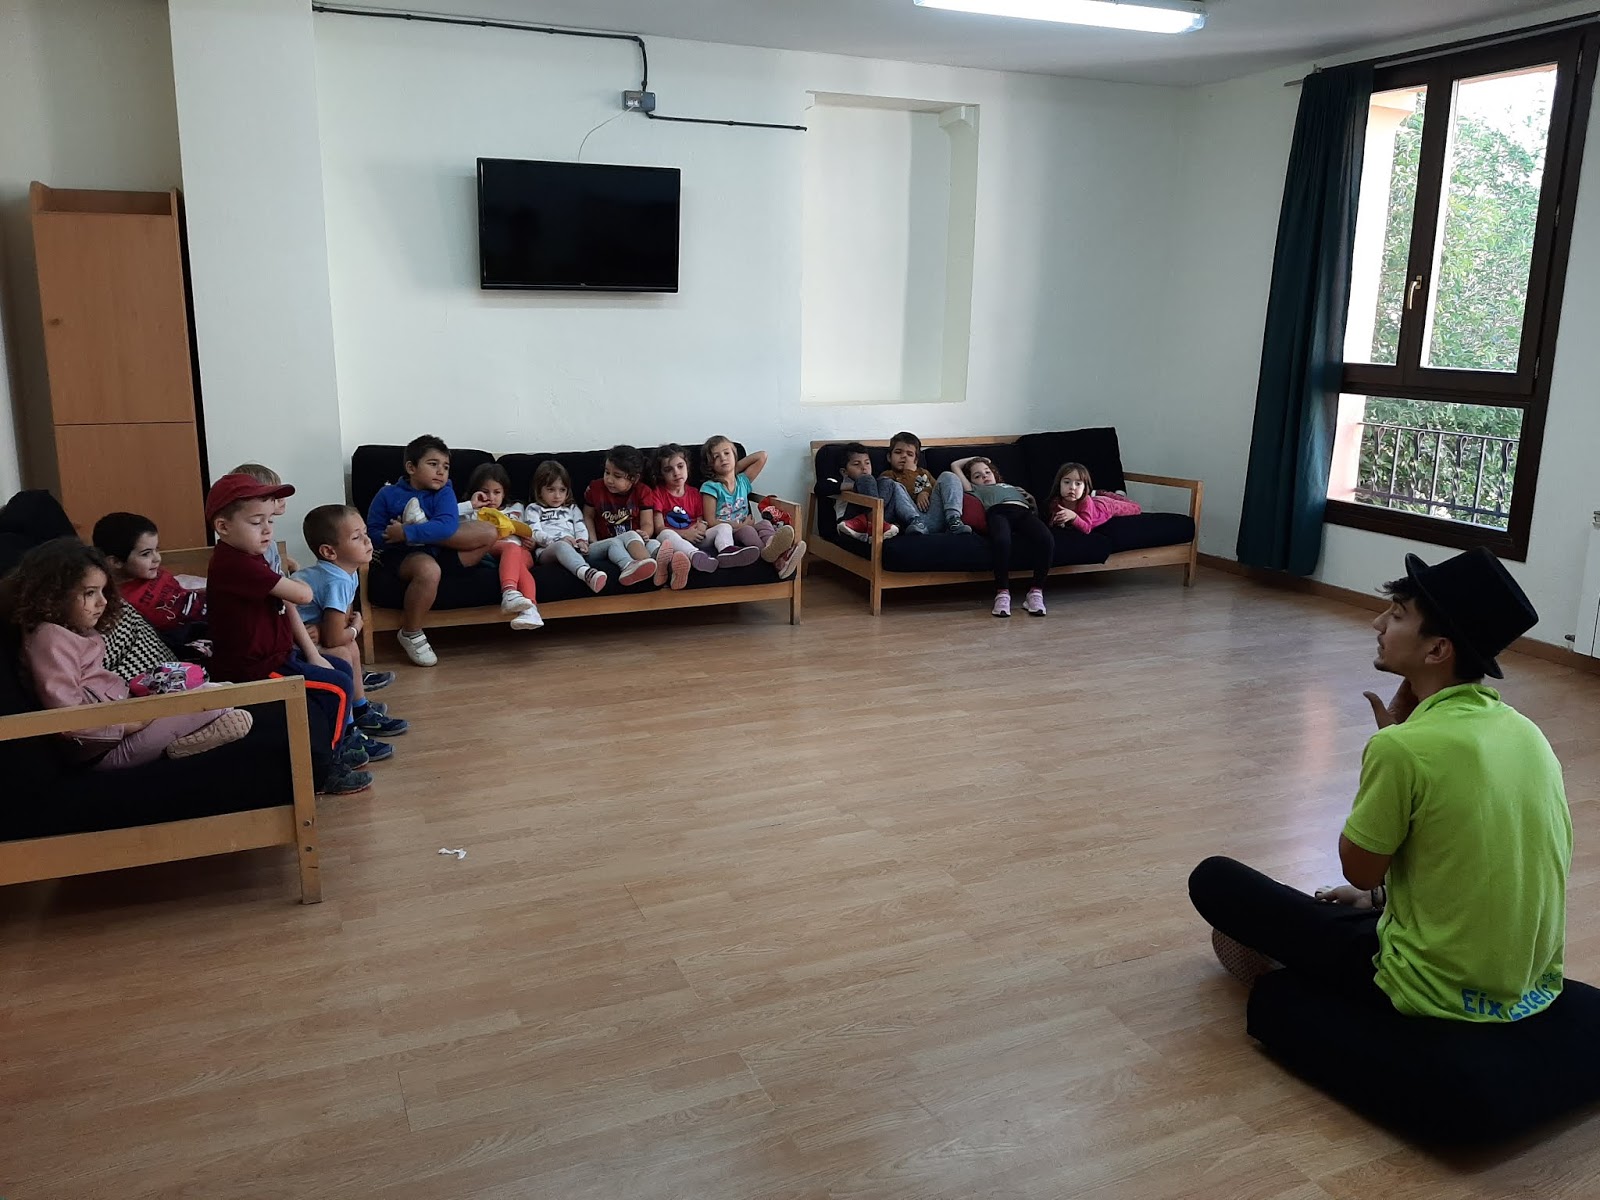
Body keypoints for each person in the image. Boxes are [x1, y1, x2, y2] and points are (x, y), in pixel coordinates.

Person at [1189, 548, 1568, 1043]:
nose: (1378, 623)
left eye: (1398, 614)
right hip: (1531, 983)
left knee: (1216, 881)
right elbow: (1472, 858)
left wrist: (1388, 750)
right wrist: (1379, 898)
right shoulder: (1528, 734)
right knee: (1333, 908)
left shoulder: (1402, 748)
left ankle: (1319, 991)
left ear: (1437, 650)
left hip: (1429, 985)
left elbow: (1360, 870)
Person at [3, 539, 251, 768]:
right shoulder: (49, 639)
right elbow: (67, 720)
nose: (102, 602)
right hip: (105, 751)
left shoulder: (71, 630)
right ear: (54, 594)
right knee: (218, 700)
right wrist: (131, 724)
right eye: (89, 593)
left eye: (103, 591)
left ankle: (189, 740)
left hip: (124, 719)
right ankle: (185, 742)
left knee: (220, 692)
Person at [206, 473, 373, 796]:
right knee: (338, 687)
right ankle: (325, 770)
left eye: (270, 520)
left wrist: (310, 652)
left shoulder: (251, 556)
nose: (267, 529)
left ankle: (334, 745)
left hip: (278, 655)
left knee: (339, 669)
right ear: (223, 527)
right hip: (255, 667)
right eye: (256, 522)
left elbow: (287, 599)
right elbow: (302, 595)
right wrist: (295, 582)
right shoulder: (236, 565)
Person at [364, 435, 498, 667]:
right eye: (433, 464)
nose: (441, 472)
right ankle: (411, 632)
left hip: (441, 549)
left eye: (445, 466)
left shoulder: (444, 491)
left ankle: (421, 525)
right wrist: (396, 536)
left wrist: (409, 531)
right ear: (411, 467)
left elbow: (447, 526)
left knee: (489, 531)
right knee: (428, 569)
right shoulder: (387, 494)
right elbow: (373, 534)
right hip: (404, 554)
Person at [292, 504, 410, 741]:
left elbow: (340, 622)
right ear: (329, 552)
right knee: (343, 652)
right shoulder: (336, 580)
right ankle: (347, 730)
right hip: (292, 643)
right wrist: (357, 627)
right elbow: (335, 638)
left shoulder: (347, 571)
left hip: (308, 634)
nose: (367, 541)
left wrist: (340, 628)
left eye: (365, 533)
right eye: (357, 537)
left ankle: (360, 708)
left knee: (351, 646)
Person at [91, 511, 207, 652]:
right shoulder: (121, 602)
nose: (157, 558)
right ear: (115, 562)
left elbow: (182, 594)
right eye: (146, 554)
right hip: (189, 634)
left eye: (156, 550)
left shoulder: (150, 571)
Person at [953, 456, 1052, 617]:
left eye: (987, 472)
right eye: (977, 476)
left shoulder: (1011, 487)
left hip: (1023, 512)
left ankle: (1036, 592)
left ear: (994, 473)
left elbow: (1034, 510)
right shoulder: (974, 489)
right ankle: (1003, 593)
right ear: (971, 481)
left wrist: (1032, 501)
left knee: (1046, 538)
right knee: (1002, 540)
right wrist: (980, 459)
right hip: (998, 512)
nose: (984, 476)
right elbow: (955, 465)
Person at [700, 435, 805, 579]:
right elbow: (710, 521)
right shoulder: (711, 487)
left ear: (734, 455)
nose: (723, 458)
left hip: (747, 526)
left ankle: (773, 548)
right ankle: (777, 560)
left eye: (727, 453)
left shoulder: (742, 481)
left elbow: (762, 456)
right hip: (728, 532)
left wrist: (734, 468)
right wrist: (739, 526)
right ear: (710, 464)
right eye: (716, 457)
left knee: (765, 523)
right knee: (748, 529)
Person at [459, 463, 543, 630]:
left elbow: (529, 531)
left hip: (521, 551)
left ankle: (531, 611)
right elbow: (457, 526)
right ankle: (510, 593)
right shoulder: (473, 511)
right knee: (511, 548)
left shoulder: (517, 508)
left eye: (497, 492)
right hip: (491, 549)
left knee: (518, 560)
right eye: (485, 492)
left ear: (504, 492)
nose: (491, 497)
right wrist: (471, 507)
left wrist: (532, 543)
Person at [834, 435, 965, 540]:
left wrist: (925, 491)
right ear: (889, 457)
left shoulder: (924, 473)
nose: (904, 457)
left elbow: (941, 490)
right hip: (912, 522)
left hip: (935, 516)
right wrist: (909, 472)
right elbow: (896, 495)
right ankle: (914, 521)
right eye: (898, 452)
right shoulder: (887, 476)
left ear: (916, 460)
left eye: (910, 454)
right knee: (894, 485)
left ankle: (954, 520)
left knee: (948, 476)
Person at [581, 445, 660, 588]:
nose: (609, 480)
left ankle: (663, 569)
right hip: (605, 544)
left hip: (634, 543)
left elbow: (647, 524)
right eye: (607, 472)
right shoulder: (595, 488)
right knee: (630, 535)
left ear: (634, 479)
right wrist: (592, 541)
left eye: (617, 476)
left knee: (655, 544)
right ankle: (648, 570)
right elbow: (588, 516)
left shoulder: (643, 491)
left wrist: (644, 533)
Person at [526, 459, 607, 593]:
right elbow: (534, 532)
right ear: (539, 490)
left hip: (576, 547)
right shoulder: (533, 509)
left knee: (612, 543)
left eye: (562, 490)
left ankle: (628, 565)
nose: (557, 495)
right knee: (561, 546)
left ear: (567, 491)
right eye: (551, 490)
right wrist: (559, 540)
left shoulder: (572, 508)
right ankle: (586, 573)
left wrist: (582, 541)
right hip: (548, 550)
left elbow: (580, 526)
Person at [644, 443, 717, 584]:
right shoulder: (657, 493)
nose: (676, 473)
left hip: (696, 537)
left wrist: (701, 527)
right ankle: (695, 555)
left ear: (687, 466)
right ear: (661, 474)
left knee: (724, 528)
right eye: (668, 470)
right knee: (665, 535)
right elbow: (659, 528)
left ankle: (728, 551)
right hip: (673, 539)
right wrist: (684, 534)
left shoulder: (695, 493)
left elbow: (701, 519)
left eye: (680, 466)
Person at [1046, 462, 1142, 533]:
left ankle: (1110, 494)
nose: (1072, 487)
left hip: (1105, 506)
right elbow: (1053, 521)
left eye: (1078, 484)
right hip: (1094, 502)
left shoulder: (1085, 502)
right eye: (1067, 482)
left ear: (1084, 489)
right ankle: (1100, 494)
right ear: (1059, 484)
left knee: (1136, 508)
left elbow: (1087, 528)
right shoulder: (1056, 501)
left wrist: (1073, 516)